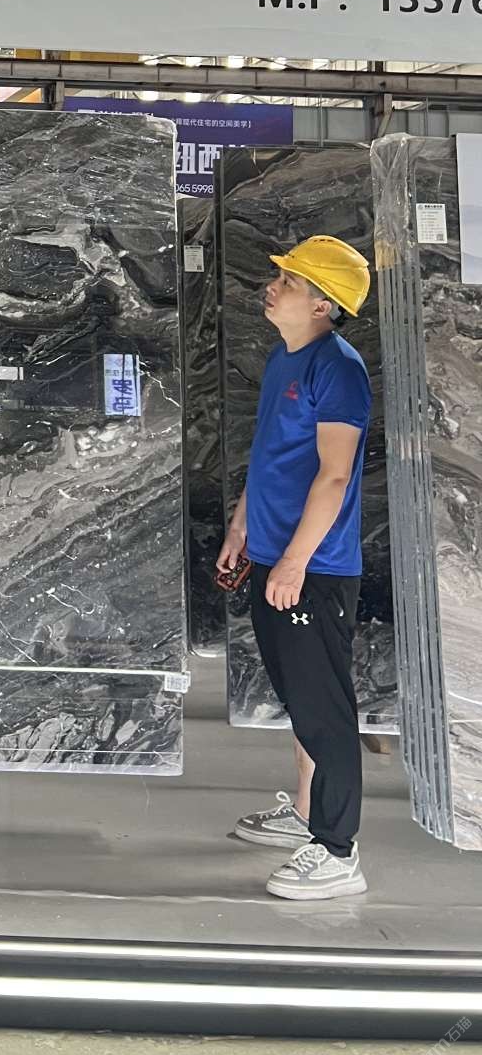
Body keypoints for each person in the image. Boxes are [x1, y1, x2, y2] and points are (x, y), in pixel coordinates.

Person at [216, 234, 373, 901]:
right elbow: (271, 456)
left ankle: (338, 851)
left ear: (322, 305)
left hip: (314, 569)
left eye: (289, 281)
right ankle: (307, 815)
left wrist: (295, 562)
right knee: (300, 701)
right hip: (276, 556)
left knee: (325, 711)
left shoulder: (338, 370)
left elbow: (334, 477)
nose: (272, 286)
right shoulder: (287, 356)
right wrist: (242, 525)